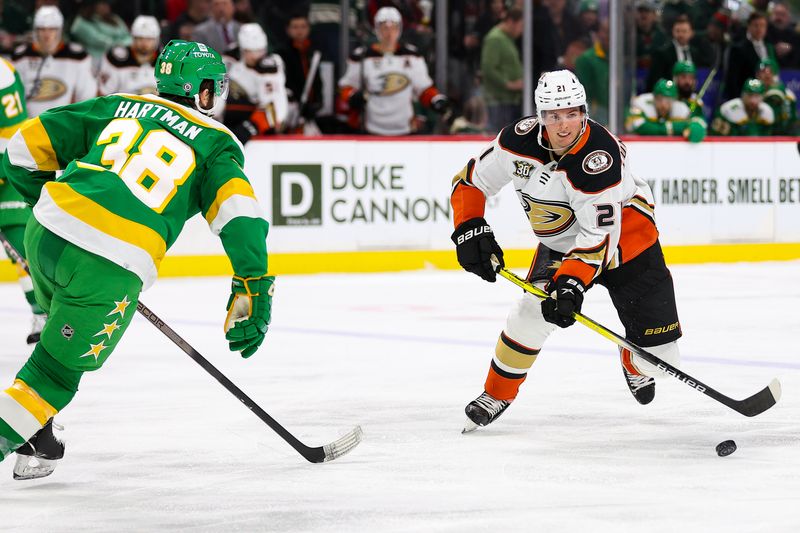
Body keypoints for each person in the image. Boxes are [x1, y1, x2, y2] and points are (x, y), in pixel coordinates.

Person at [0, 40, 274, 480]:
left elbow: (22, 149)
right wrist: (251, 295)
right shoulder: (217, 144)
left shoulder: (119, 105)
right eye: (213, 87)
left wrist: (55, 208)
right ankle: (21, 422)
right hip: (106, 267)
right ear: (201, 91)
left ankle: (37, 437)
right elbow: (241, 222)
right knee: (52, 376)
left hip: (45, 235)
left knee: (56, 336)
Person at [450, 70, 683, 431]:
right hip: (561, 244)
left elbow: (597, 239)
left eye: (572, 113)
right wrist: (468, 227)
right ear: (540, 116)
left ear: (584, 112)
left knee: (661, 360)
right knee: (530, 314)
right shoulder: (516, 142)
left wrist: (570, 284)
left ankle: (634, 359)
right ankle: (496, 393)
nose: (563, 126)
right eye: (554, 115)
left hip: (628, 243)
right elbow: (469, 181)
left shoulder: (598, 159)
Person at [338, 6, 450, 136]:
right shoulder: (362, 56)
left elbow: (424, 89)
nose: (389, 33)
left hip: (405, 128)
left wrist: (435, 99)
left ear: (400, 29)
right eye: (385, 28)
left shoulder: (412, 55)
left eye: (394, 27)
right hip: (371, 129)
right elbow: (346, 87)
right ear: (377, 29)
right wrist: (352, 97)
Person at [0, 57, 47, 344]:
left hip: (9, 163)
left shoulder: (2, 74)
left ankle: (45, 311)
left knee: (19, 237)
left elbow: (12, 131)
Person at [11, 6, 97, 118]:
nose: (47, 35)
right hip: (27, 125)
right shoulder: (21, 56)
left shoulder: (78, 57)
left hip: (62, 125)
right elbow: (13, 97)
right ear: (35, 30)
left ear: (60, 30)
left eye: (52, 29)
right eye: (42, 29)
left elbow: (87, 97)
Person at [222, 22, 289, 142]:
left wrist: (250, 127)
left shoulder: (270, 65)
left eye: (260, 51)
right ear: (242, 49)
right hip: (229, 116)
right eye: (250, 51)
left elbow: (275, 107)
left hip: (258, 119)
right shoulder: (230, 57)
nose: (256, 56)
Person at [479, 7, 524, 134]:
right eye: (521, 26)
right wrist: (508, 84)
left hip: (508, 99)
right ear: (510, 21)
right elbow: (488, 67)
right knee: (497, 135)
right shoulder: (495, 39)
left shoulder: (506, 38)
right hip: (498, 99)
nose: (521, 30)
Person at [626, 78, 706, 142]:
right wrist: (672, 128)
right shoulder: (641, 102)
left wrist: (694, 127)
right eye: (659, 99)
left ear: (674, 100)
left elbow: (697, 126)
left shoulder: (681, 108)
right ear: (653, 98)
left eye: (668, 101)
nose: (663, 105)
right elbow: (639, 127)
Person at [97, 15, 161, 95]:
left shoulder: (166, 61)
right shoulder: (117, 59)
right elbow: (103, 95)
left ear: (157, 39)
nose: (144, 43)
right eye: (140, 38)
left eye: (149, 39)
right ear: (133, 38)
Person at [711, 77, 776, 135]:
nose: (753, 101)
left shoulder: (767, 112)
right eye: (750, 95)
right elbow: (716, 139)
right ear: (743, 95)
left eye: (757, 96)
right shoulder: (728, 110)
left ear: (763, 97)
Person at [756, 57, 797, 134]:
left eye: (771, 72)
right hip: (760, 135)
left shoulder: (788, 95)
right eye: (763, 72)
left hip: (782, 135)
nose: (767, 75)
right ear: (757, 75)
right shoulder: (753, 94)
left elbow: (791, 123)